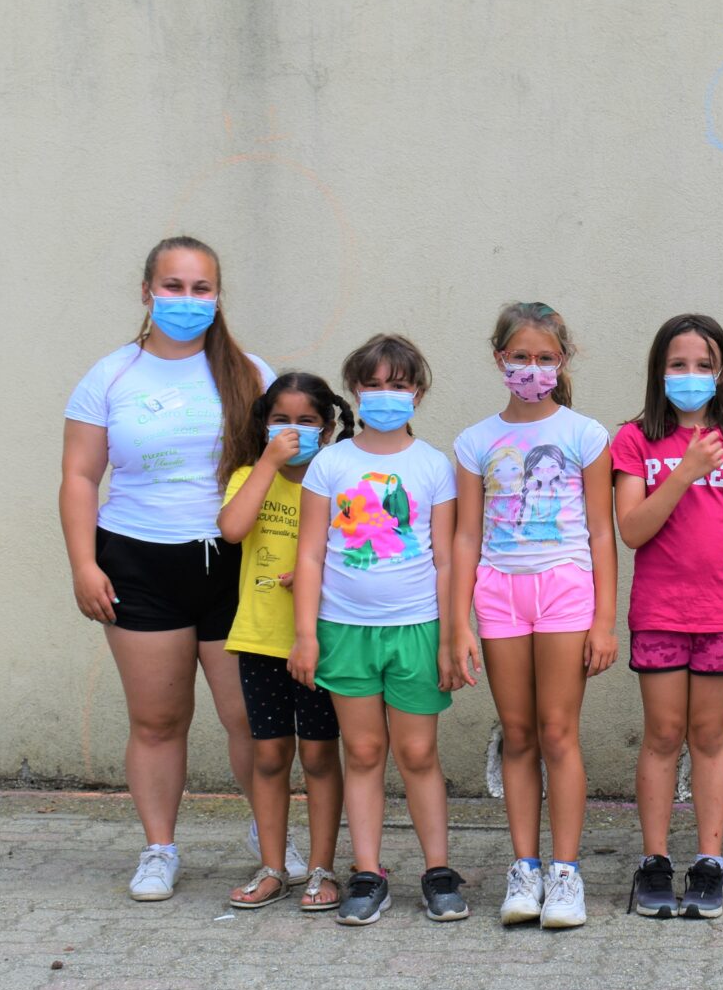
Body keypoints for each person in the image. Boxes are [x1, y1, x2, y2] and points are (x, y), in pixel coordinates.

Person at [60, 236, 276, 901]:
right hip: (138, 562)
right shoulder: (110, 376)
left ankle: (270, 840)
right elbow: (79, 476)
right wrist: (83, 564)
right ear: (147, 293)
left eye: (200, 288)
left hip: (234, 564)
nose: (187, 300)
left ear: (218, 296)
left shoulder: (250, 373)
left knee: (251, 720)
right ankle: (159, 849)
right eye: (173, 287)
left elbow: (285, 473)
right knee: (157, 721)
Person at [452, 302, 618, 930]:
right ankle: (525, 870)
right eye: (520, 356)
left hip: (565, 590)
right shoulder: (475, 441)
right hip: (499, 593)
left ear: (563, 360)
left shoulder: (585, 434)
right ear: (500, 358)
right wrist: (460, 621)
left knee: (557, 731)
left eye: (545, 357)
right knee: (517, 733)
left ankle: (566, 873)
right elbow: (466, 536)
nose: (532, 368)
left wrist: (605, 621)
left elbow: (601, 532)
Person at [290, 335, 464, 926]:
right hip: (343, 630)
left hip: (416, 629)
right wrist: (306, 635)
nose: (386, 394)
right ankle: (368, 873)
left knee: (417, 752)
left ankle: (438, 871)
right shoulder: (330, 464)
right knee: (362, 751)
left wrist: (449, 637)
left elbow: (447, 558)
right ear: (355, 390)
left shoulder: (433, 466)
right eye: (374, 384)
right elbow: (310, 554)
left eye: (399, 384)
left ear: (418, 392)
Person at [611, 314, 723, 919]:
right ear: (659, 372)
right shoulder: (634, 440)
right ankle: (655, 860)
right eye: (678, 364)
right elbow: (632, 529)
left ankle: (709, 861)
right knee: (662, 735)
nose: (691, 375)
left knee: (709, 737)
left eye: (703, 365)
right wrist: (684, 472)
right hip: (660, 614)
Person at [215, 372, 354, 912]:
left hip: (320, 641)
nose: (293, 431)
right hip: (260, 639)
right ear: (263, 425)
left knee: (319, 755)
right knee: (270, 754)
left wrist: (318, 577)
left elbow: (358, 549)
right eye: (281, 420)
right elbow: (232, 529)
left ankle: (322, 868)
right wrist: (268, 464)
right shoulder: (250, 475)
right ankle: (273, 866)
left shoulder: (339, 480)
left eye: (306, 421)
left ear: (328, 428)